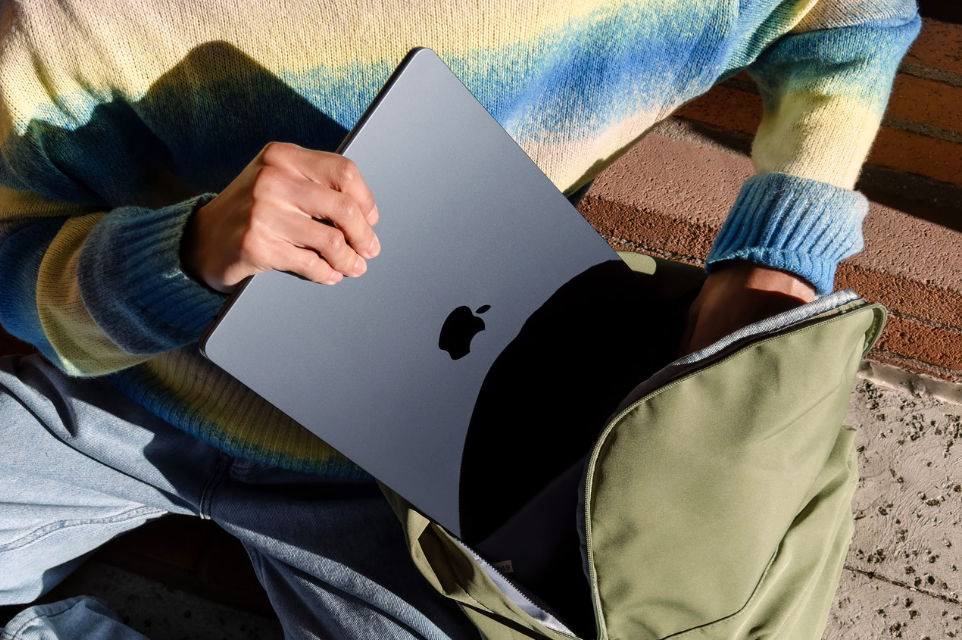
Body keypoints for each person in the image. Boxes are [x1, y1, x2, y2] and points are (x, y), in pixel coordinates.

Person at [0, 1, 920, 638]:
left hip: (411, 481)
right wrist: (182, 256)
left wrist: (778, 254)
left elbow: (854, 21)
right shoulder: (80, 25)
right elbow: (11, 245)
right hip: (112, 401)